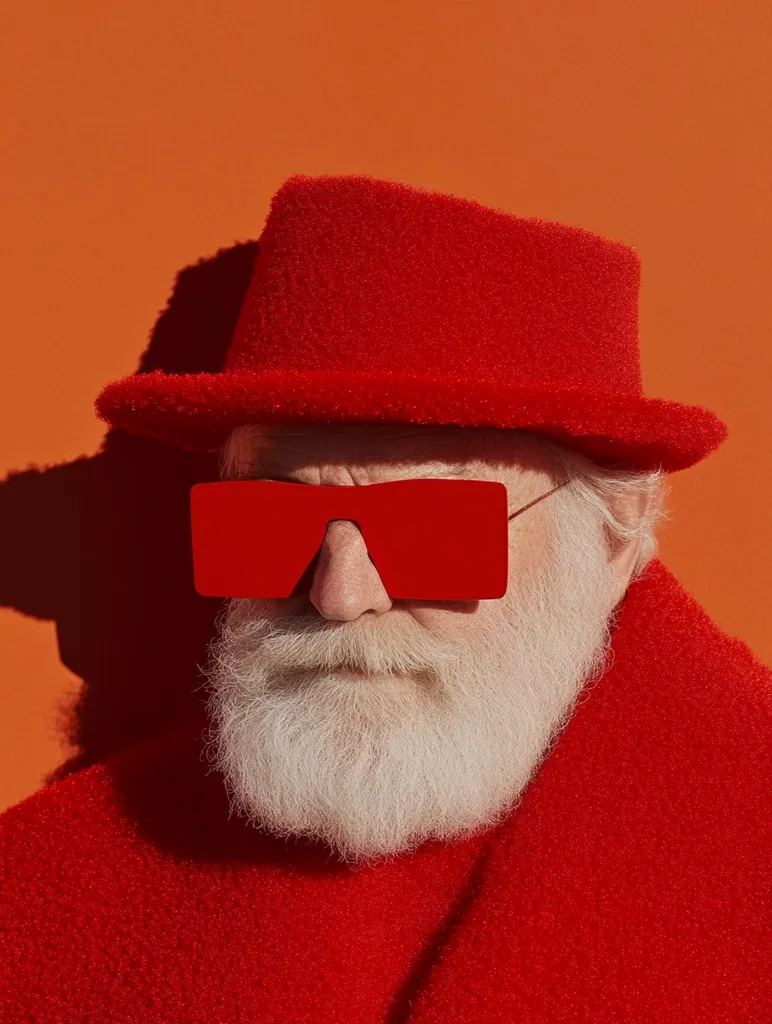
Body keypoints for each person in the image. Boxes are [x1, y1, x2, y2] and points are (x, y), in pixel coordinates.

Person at [2, 174, 769, 1021]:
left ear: (619, 531)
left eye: (434, 527)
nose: (339, 595)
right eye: (269, 520)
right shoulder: (34, 894)